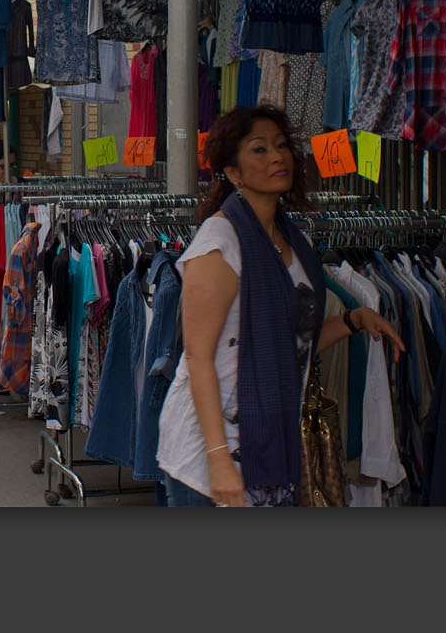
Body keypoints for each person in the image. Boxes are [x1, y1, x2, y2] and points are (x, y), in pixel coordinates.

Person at [154, 105, 403, 507]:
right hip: (208, 453)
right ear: (232, 172)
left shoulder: (292, 240)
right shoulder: (220, 243)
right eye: (259, 149)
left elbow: (292, 348)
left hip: (267, 442)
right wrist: (218, 461)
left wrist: (354, 321)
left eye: (282, 145)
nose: (276, 156)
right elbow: (198, 358)